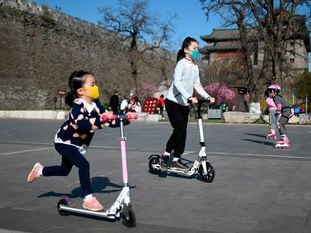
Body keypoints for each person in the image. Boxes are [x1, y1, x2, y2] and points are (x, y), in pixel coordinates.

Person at [27, 70, 114, 212]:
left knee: (64, 170)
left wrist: (124, 118)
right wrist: (102, 120)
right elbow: (83, 124)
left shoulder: (97, 105)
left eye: (95, 84)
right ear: (81, 90)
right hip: (64, 141)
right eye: (92, 84)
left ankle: (40, 170)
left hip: (76, 143)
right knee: (84, 165)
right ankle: (88, 198)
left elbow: (108, 119)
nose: (96, 87)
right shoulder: (78, 105)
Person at [162, 36, 215, 169]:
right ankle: (166, 154)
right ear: (186, 50)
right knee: (179, 129)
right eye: (194, 48)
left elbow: (197, 85)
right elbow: (177, 83)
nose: (197, 51)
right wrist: (188, 96)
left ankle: (176, 159)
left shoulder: (195, 67)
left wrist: (208, 97)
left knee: (183, 131)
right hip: (173, 102)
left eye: (198, 48)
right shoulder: (181, 64)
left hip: (184, 104)